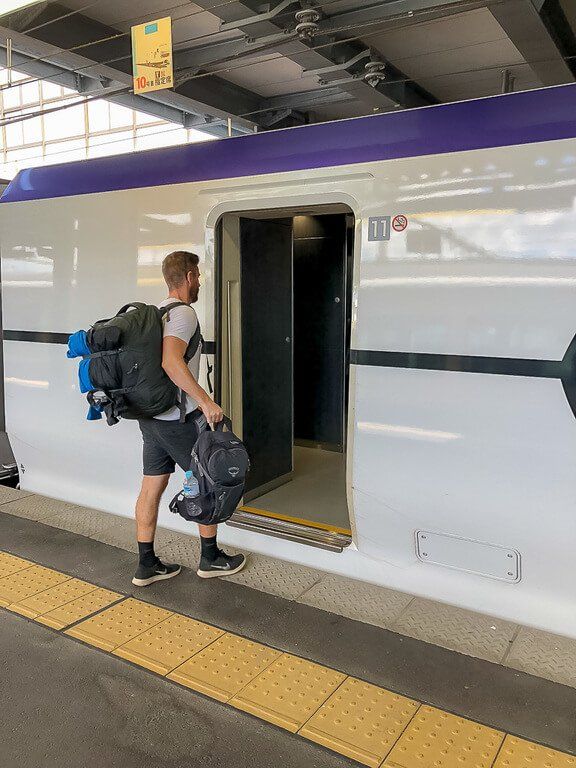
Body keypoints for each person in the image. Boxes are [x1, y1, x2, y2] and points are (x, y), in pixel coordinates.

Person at [132, 250, 246, 586]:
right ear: (190, 276)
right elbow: (171, 361)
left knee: (152, 485)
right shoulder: (183, 314)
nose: (199, 282)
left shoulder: (158, 314)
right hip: (178, 419)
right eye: (198, 276)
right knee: (208, 481)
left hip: (151, 418)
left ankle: (147, 564)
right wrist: (205, 401)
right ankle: (210, 557)